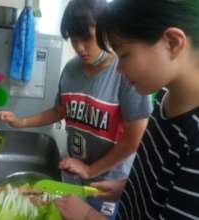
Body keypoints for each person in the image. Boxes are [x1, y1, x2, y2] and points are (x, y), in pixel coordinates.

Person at [0, 0, 152, 218]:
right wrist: (21, 121)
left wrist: (91, 170)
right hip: (75, 173)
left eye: (86, 38)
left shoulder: (124, 71)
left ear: (104, 32)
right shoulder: (71, 70)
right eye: (73, 39)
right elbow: (60, 110)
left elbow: (134, 139)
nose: (80, 47)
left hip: (109, 184)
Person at [55, 0, 199, 219]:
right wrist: (127, 187)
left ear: (172, 42)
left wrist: (86, 215)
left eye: (124, 55)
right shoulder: (165, 99)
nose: (119, 70)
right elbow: (160, 179)